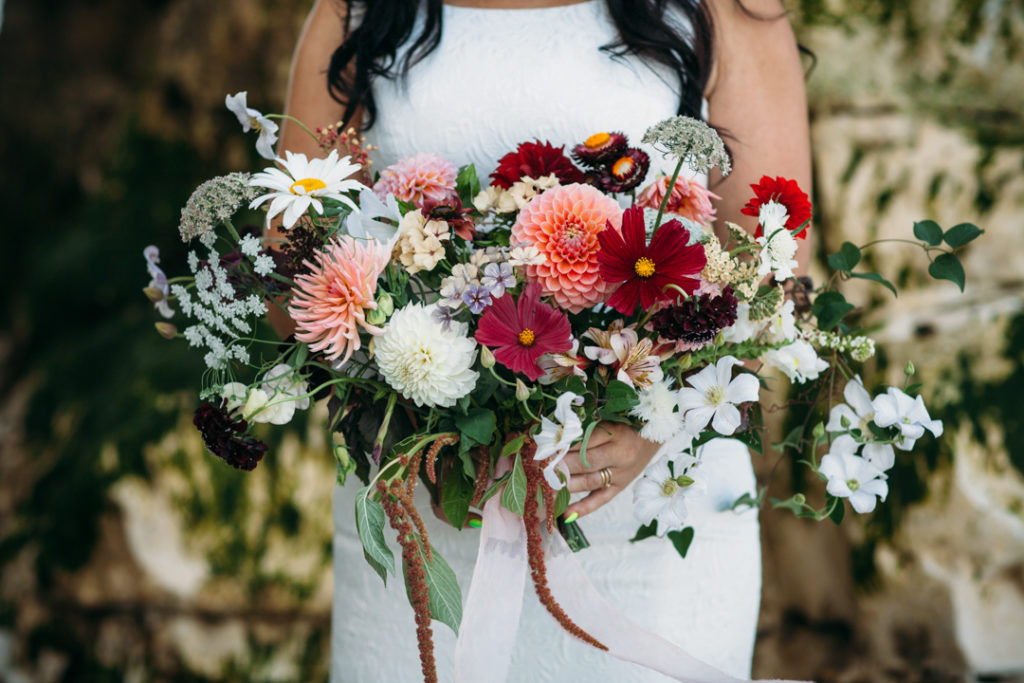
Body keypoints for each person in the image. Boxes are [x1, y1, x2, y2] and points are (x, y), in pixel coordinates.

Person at [274, 0, 811, 679]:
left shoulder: (724, 9)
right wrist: (400, 396)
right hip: (427, 514)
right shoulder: (358, 11)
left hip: (649, 522)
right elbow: (286, 271)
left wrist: (655, 409)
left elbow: (775, 261)